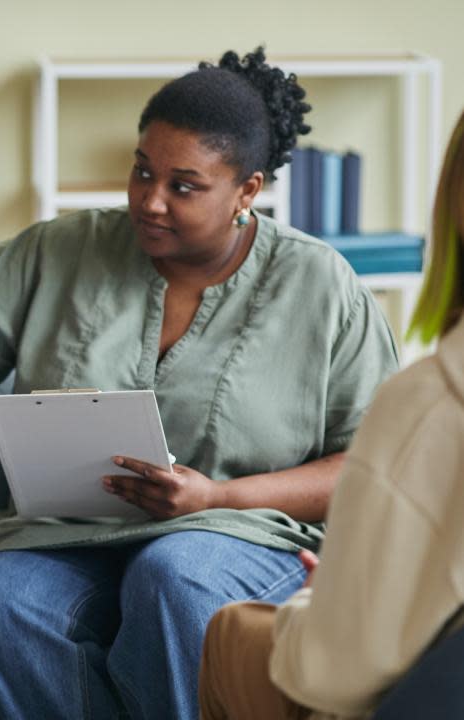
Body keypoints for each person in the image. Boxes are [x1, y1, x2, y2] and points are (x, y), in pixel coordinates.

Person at [0, 47, 399, 719]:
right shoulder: (63, 250)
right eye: (142, 171)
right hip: (68, 534)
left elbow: (370, 465)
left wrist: (220, 494)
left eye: (184, 186)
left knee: (171, 575)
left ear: (248, 191)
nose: (150, 200)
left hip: (239, 534)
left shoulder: (322, 288)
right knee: (1, 601)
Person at [198, 108, 464, 720]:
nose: (156, 204)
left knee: (230, 627)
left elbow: (333, 675)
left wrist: (313, 605)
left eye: (186, 185)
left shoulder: (429, 406)